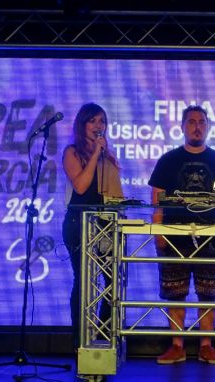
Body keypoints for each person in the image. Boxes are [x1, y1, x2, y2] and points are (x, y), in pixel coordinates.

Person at [149, 105, 215, 365]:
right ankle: (177, 345)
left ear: (208, 127)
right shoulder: (168, 160)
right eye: (191, 122)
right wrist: (158, 232)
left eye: (201, 122)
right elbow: (156, 198)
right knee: (175, 291)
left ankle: (206, 345)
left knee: (208, 292)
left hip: (211, 236)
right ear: (182, 126)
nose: (197, 127)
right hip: (174, 234)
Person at [62, 103, 123, 350]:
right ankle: (80, 340)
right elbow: (81, 186)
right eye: (93, 121)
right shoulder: (72, 152)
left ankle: (103, 336)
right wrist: (96, 154)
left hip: (106, 222)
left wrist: (106, 157)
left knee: (112, 281)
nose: (99, 126)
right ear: (82, 124)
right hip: (79, 223)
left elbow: (114, 193)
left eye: (102, 121)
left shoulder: (108, 155)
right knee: (84, 280)